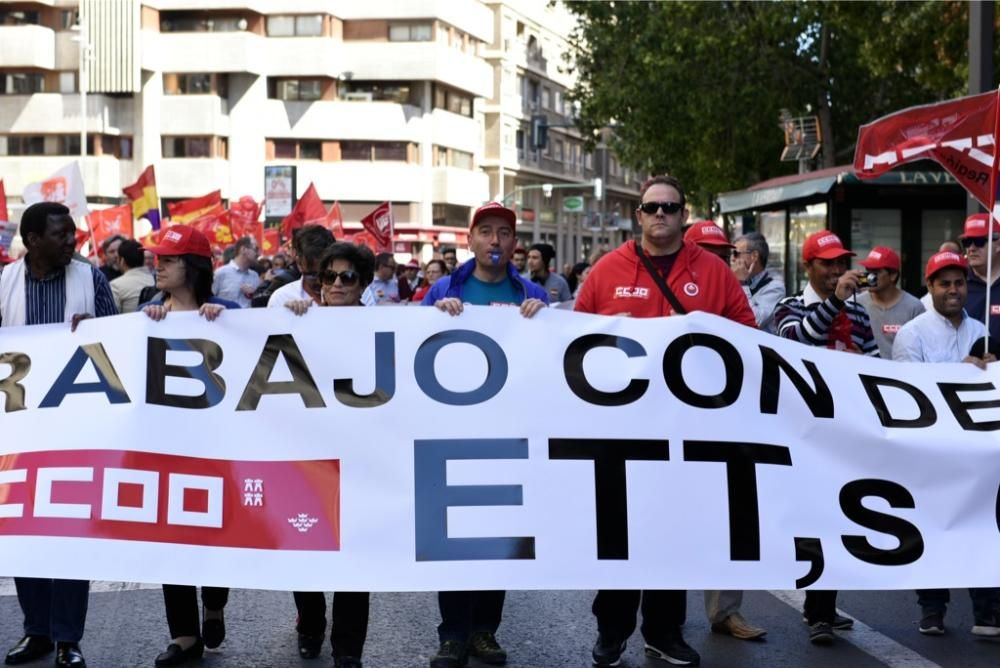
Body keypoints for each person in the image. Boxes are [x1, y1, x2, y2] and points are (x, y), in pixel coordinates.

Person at [576, 176, 758, 668]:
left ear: (684, 215)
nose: (660, 215)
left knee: (674, 534)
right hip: (619, 430)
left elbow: (746, 335)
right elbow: (574, 339)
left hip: (686, 431)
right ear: (639, 215)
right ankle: (611, 632)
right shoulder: (607, 270)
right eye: (651, 207)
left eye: (670, 207)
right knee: (619, 534)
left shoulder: (715, 272)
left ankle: (664, 632)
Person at [422, 202, 547, 668]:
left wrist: (542, 320)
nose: (495, 241)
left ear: (515, 244)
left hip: (508, 434)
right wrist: (435, 314)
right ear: (470, 240)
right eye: (486, 232)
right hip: (449, 433)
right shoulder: (442, 288)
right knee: (452, 538)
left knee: (498, 538)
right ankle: (452, 634)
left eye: (504, 234)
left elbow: (550, 363)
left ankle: (484, 632)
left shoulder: (531, 294)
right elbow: (411, 345)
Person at [0, 202, 119, 668]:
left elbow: (119, 343)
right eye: (61, 234)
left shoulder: (91, 280)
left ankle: (69, 638)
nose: (73, 241)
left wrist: (98, 333)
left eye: (72, 233)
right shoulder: (4, 284)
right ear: (31, 240)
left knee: (70, 533)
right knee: (25, 531)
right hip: (19, 431)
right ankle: (39, 631)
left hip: (77, 428)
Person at [137, 225, 239, 667]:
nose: (158, 266)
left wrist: (228, 322)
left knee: (217, 532)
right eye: (156, 259)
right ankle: (183, 635)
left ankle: (214, 600)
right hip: (166, 444)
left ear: (193, 268)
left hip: (217, 444)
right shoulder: (146, 311)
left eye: (168, 260)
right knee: (171, 536)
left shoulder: (230, 312)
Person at [774, 229, 875, 646]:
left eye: (840, 263)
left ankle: (824, 604)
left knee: (838, 518)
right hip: (802, 430)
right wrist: (834, 303)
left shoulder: (860, 314)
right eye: (827, 263)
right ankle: (817, 611)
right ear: (808, 266)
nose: (836, 270)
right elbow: (795, 341)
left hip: (843, 429)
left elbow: (875, 364)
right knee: (813, 519)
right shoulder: (789, 308)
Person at [892, 250, 1000, 638]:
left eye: (959, 283)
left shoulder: (983, 330)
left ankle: (987, 612)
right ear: (930, 287)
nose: (954, 290)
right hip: (931, 451)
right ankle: (932, 609)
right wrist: (960, 374)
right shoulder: (913, 333)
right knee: (934, 528)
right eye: (945, 283)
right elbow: (908, 391)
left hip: (978, 455)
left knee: (983, 528)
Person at [282, 242, 375, 668]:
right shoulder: (299, 320)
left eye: (347, 277)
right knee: (305, 544)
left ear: (363, 286)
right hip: (308, 453)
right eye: (329, 277)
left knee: (356, 555)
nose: (337, 285)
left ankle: (348, 647)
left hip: (363, 457)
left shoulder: (387, 327)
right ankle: (312, 621)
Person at [854, 246, 924, 358]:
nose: (868, 277)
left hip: (901, 374)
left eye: (875, 272)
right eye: (868, 271)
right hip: (864, 372)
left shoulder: (914, 307)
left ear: (893, 275)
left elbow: (922, 349)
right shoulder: (857, 303)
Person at [266, 225, 334, 309]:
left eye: (325, 274)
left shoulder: (347, 296)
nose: (319, 281)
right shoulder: (282, 298)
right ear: (298, 263)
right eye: (312, 275)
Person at [731, 232, 786, 333]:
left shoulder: (775, 287)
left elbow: (755, 320)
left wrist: (742, 284)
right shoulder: (735, 280)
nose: (733, 258)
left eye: (736, 254)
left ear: (754, 256)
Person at [958, 214, 1000, 341]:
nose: (971, 248)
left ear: (998, 244)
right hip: (964, 360)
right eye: (967, 242)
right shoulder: (958, 284)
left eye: (979, 241)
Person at [211, 236, 261, 307]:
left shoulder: (255, 276)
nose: (259, 254)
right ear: (243, 249)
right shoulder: (220, 273)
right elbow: (209, 300)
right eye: (256, 249)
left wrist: (254, 294)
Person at [110, 239, 155, 313]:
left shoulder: (115, 286)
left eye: (118, 258)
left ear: (122, 260)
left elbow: (111, 316)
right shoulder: (157, 280)